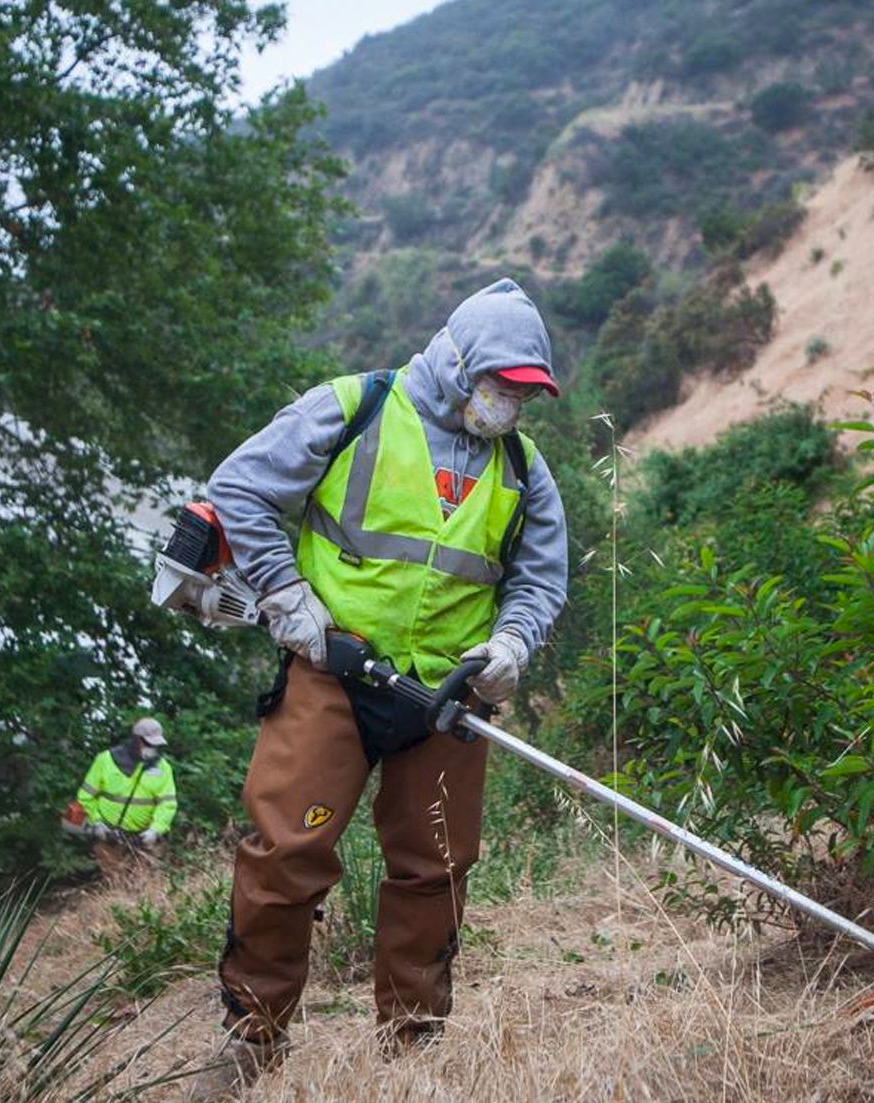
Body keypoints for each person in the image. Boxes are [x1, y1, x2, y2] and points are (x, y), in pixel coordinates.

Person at [197, 278, 568, 1088]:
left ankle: (411, 1046)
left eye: (525, 394)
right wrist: (289, 600)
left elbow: (540, 583)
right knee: (286, 852)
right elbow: (241, 490)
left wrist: (509, 646)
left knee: (434, 867)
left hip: (444, 701)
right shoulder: (355, 408)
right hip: (332, 673)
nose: (512, 405)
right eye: (503, 386)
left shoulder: (525, 472)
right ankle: (251, 1041)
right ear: (461, 363)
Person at [76, 717, 177, 875]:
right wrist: (96, 822)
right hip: (109, 835)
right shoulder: (106, 760)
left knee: (145, 883)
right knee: (113, 881)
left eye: (156, 745)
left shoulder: (163, 768)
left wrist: (155, 830)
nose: (153, 748)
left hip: (144, 838)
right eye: (149, 743)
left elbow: (167, 804)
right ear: (136, 740)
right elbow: (85, 797)